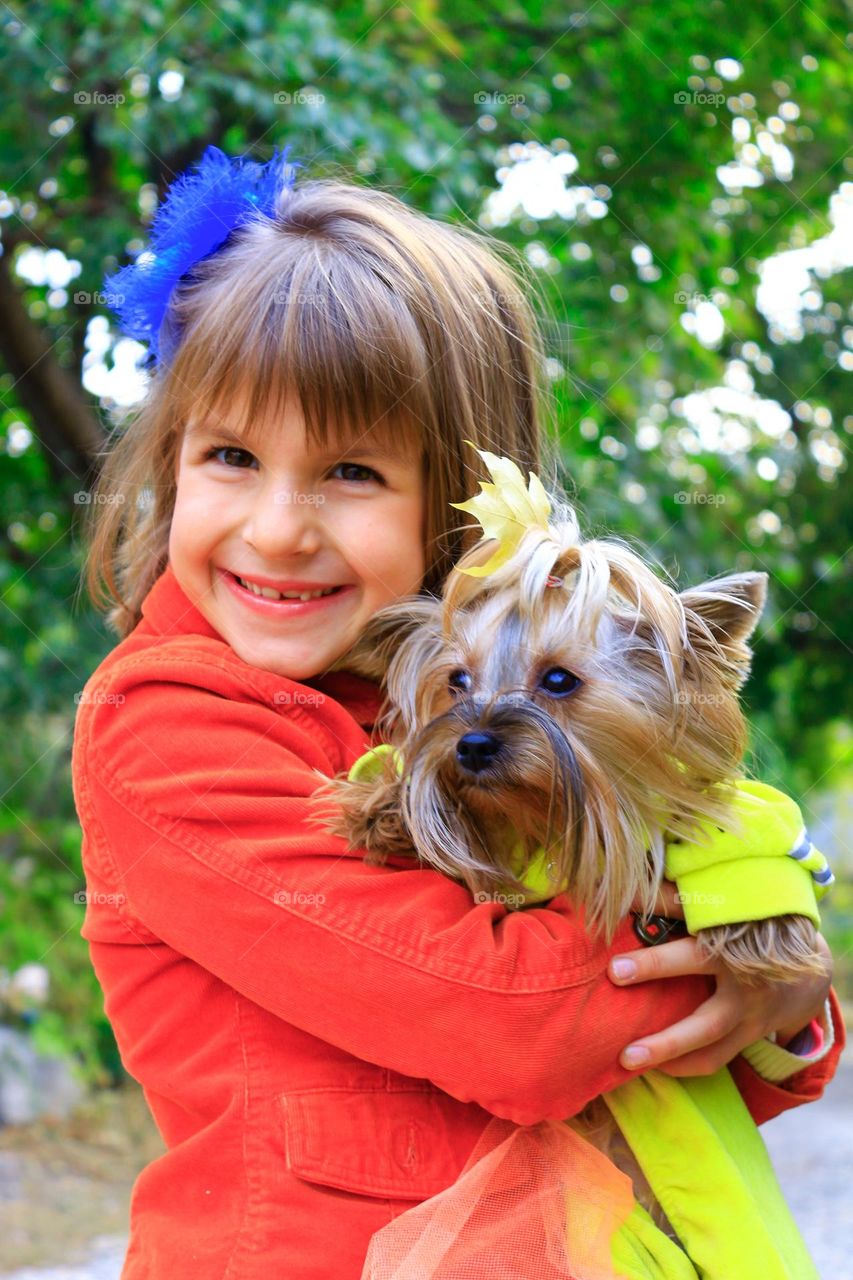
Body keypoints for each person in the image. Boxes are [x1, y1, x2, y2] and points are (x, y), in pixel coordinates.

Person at [72, 146, 844, 1280]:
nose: (278, 527)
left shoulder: (445, 694)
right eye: (230, 456)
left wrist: (781, 999)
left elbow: (684, 1075)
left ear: (457, 500)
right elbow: (517, 1022)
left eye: (349, 473)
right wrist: (729, 916)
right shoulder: (168, 729)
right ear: (168, 465)